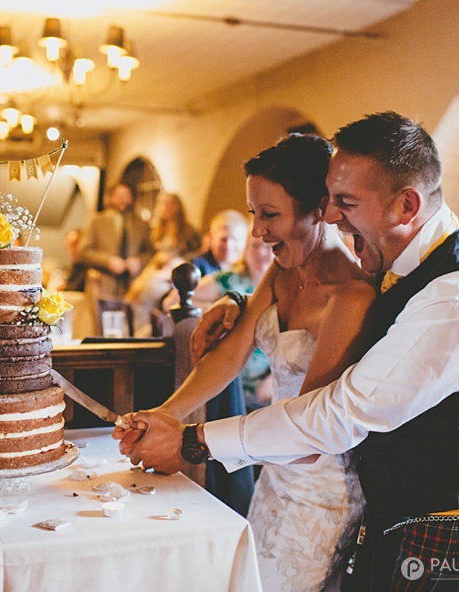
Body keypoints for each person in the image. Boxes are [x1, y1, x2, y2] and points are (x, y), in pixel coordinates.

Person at [119, 112, 459, 589]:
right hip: (388, 522)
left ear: (406, 205)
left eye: (345, 202)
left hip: (453, 539)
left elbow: (338, 413)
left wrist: (195, 441)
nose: (330, 216)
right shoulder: (395, 263)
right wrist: (239, 301)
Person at [129, 134, 375, 589]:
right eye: (253, 214)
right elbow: (230, 355)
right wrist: (165, 413)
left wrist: (189, 442)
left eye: (270, 215)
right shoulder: (282, 272)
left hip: (320, 490)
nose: (258, 231)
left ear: (319, 208)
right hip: (273, 479)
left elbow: (309, 431)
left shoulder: (351, 296)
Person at [162, 231, 277, 413]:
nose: (261, 252)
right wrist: (217, 309)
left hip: (268, 386)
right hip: (227, 379)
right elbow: (171, 302)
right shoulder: (229, 280)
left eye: (267, 246)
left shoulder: (282, 286)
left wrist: (272, 381)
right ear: (245, 250)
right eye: (254, 245)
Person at [78, 183, 153, 300]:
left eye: (126, 195)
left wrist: (139, 261)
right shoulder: (97, 221)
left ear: (131, 198)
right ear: (111, 197)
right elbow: (83, 251)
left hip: (133, 285)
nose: (122, 199)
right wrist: (107, 261)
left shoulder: (141, 224)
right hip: (103, 284)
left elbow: (151, 252)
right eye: (119, 195)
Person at [191, 209, 249, 276]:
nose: (228, 246)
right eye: (223, 239)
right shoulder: (195, 266)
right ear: (211, 237)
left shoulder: (244, 271)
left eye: (235, 240)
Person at [150, 192, 201, 260]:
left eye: (171, 204)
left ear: (178, 206)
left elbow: (196, 253)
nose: (167, 207)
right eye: (163, 203)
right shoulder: (154, 231)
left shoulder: (189, 231)